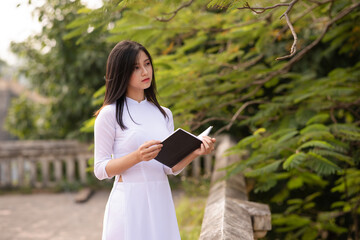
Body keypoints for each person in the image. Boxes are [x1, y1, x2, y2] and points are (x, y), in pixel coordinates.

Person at [94, 40, 216, 240]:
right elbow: (100, 169)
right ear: (122, 71)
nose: (145, 72)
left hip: (160, 198)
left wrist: (195, 151)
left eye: (147, 64)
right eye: (136, 67)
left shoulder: (164, 114)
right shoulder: (109, 114)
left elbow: (168, 168)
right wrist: (137, 156)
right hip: (129, 201)